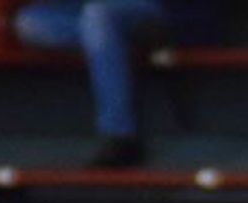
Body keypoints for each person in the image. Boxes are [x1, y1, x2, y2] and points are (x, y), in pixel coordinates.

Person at [13, 0, 220, 167]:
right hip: (96, 10)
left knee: (99, 14)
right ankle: (122, 38)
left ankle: (120, 135)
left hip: (163, 8)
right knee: (32, 22)